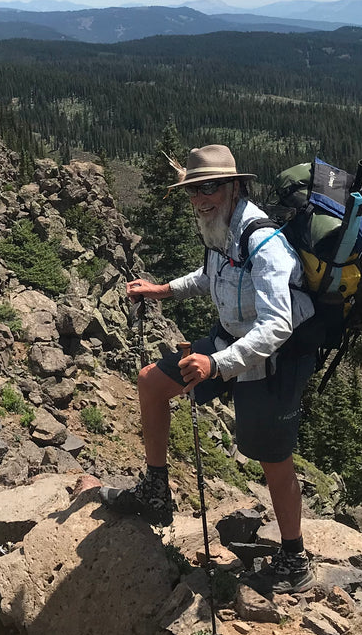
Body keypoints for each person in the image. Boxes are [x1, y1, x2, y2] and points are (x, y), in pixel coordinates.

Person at [102, 143, 319, 594]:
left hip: (275, 359)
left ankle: (294, 559)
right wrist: (163, 290)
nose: (200, 199)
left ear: (235, 187)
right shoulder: (221, 229)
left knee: (273, 460)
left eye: (210, 187)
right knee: (151, 382)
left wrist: (217, 364)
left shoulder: (264, 243)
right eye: (193, 190)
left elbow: (277, 325)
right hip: (230, 343)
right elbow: (210, 277)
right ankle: (156, 490)